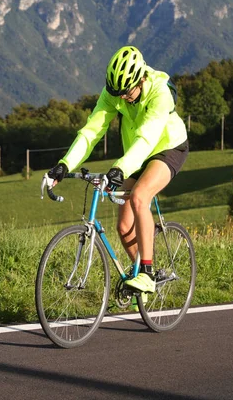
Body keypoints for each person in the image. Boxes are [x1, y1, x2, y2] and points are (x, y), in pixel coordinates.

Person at [46, 46, 189, 299]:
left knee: (139, 197)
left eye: (127, 93)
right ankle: (142, 284)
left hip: (167, 148)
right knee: (124, 227)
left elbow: (147, 139)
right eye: (117, 94)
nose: (122, 98)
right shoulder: (115, 92)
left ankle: (146, 272)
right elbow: (91, 132)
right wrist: (65, 164)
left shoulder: (160, 92)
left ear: (141, 79)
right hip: (135, 155)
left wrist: (119, 169)